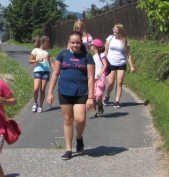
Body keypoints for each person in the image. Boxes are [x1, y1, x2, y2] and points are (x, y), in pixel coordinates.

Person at [47, 32, 95, 160]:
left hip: (81, 92)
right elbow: (55, 74)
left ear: (81, 43)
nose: (75, 45)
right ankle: (68, 149)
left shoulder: (87, 56)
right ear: (69, 42)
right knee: (68, 120)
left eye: (78, 42)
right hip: (64, 91)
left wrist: (91, 97)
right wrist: (50, 92)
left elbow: (91, 78)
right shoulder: (63, 55)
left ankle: (79, 137)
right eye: (73, 42)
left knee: (80, 119)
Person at [103, 23, 136, 108]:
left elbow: (128, 54)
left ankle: (117, 101)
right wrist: (103, 63)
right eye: (113, 29)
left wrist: (132, 66)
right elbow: (105, 51)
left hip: (121, 62)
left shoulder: (125, 40)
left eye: (116, 30)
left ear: (120, 31)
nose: (114, 31)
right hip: (111, 62)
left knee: (120, 82)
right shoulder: (110, 38)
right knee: (110, 82)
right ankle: (107, 95)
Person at [28, 35, 52, 113]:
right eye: (47, 43)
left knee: (42, 89)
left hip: (46, 71)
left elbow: (51, 63)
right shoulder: (35, 50)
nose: (48, 44)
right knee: (36, 88)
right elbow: (30, 61)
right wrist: (37, 60)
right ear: (43, 42)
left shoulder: (48, 52)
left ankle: (40, 106)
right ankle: (35, 103)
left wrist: (56, 71)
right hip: (38, 70)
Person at [91, 38, 109, 117]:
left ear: (95, 47)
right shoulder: (93, 56)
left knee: (98, 95)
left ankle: (100, 104)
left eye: (92, 45)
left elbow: (105, 65)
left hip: (100, 79)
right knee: (93, 96)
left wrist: (101, 72)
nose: (90, 46)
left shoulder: (101, 55)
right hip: (93, 78)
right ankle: (94, 111)